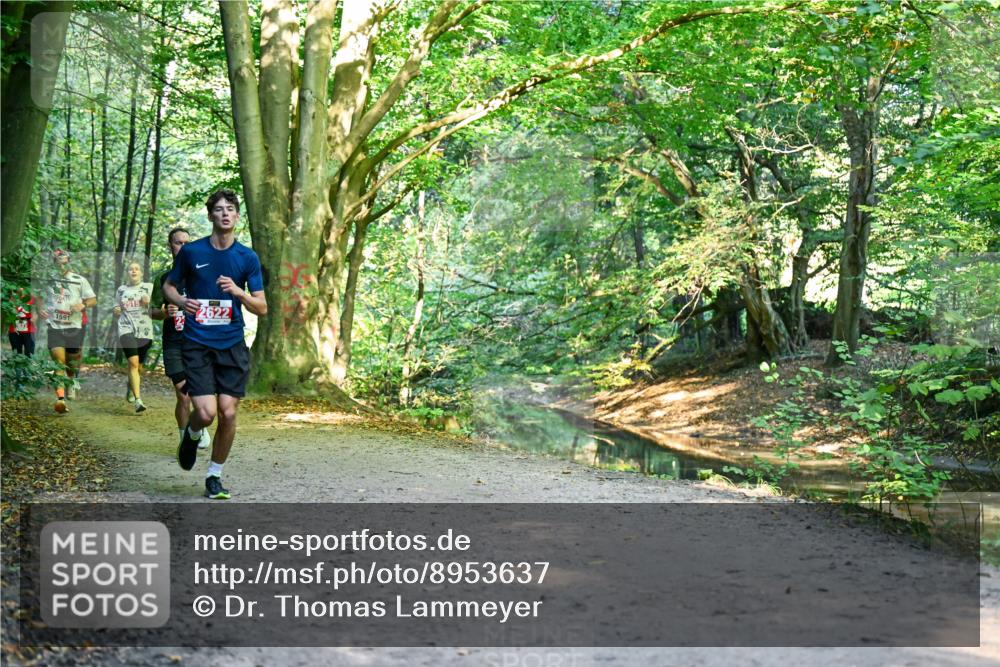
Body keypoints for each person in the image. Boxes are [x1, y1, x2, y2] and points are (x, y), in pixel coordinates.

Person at [163, 189, 267, 499]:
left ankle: (214, 476)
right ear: (210, 216)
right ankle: (193, 433)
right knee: (206, 414)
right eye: (218, 209)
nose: (224, 214)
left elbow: (261, 307)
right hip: (197, 343)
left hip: (232, 344)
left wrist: (239, 292)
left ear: (237, 217)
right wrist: (182, 301)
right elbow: (169, 286)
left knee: (229, 413)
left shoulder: (247, 257)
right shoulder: (192, 253)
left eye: (230, 209)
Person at [151, 227, 210, 449]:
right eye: (178, 243)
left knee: (198, 394)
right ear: (170, 246)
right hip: (174, 344)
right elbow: (151, 311)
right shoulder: (164, 278)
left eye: (187, 243)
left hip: (199, 342)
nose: (183, 247)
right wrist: (164, 313)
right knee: (183, 395)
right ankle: (185, 438)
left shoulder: (202, 274)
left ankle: (198, 425)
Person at [37, 249, 96, 412]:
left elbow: (93, 299)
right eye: (58, 260)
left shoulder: (79, 280)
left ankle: (71, 381)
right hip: (55, 326)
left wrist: (83, 305)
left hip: (74, 327)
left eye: (64, 260)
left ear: (69, 261)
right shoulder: (49, 280)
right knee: (58, 362)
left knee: (71, 362)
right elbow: (39, 297)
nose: (61, 263)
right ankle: (60, 399)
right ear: (54, 262)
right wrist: (40, 309)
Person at [114, 261, 154, 414]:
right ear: (127, 273)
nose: (134, 271)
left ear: (141, 273)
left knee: (139, 367)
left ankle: (131, 386)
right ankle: (138, 400)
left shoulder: (149, 287)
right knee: (133, 362)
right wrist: (116, 310)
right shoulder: (121, 290)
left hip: (145, 330)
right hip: (126, 328)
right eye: (131, 269)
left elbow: (158, 306)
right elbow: (116, 307)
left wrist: (148, 302)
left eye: (137, 269)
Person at [7, 287, 37, 356]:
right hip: (14, 330)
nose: (21, 289)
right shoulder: (12, 298)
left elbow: (39, 311)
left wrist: (35, 317)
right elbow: (8, 317)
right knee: (16, 354)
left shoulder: (32, 298)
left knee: (29, 354)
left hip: (29, 329)